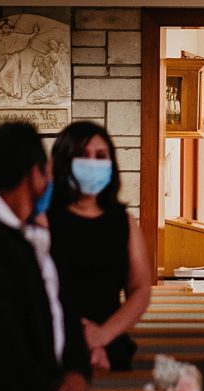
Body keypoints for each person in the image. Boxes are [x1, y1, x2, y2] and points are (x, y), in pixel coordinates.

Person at [0, 121, 92, 391]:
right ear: (33, 174)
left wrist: (76, 372)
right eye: (45, 174)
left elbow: (61, 308)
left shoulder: (20, 233)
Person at [48, 121, 152, 371]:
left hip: (110, 342)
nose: (92, 163)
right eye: (83, 156)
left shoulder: (123, 221)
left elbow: (140, 289)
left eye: (100, 156)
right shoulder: (45, 218)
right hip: (54, 343)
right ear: (64, 162)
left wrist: (102, 337)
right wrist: (79, 338)